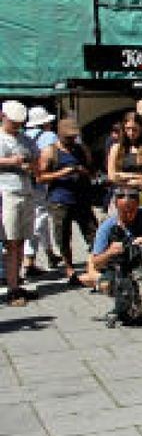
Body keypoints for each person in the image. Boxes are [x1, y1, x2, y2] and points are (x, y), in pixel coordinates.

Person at [80, 187, 142, 294]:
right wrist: (110, 252)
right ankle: (121, 296)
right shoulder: (107, 226)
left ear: (138, 205)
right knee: (105, 285)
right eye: (124, 212)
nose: (129, 215)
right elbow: (96, 262)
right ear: (116, 207)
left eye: (132, 211)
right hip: (120, 270)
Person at [36, 118, 98, 287]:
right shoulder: (50, 152)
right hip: (60, 199)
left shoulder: (82, 150)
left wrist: (84, 171)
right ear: (60, 135)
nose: (71, 140)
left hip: (82, 198)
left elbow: (93, 172)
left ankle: (94, 264)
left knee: (93, 232)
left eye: (73, 137)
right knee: (63, 235)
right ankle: (69, 268)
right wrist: (61, 173)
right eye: (68, 137)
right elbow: (40, 177)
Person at [0, 100, 38, 305]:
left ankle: (16, 282)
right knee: (11, 241)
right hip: (7, 192)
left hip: (26, 191)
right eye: (13, 122)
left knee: (22, 239)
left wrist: (31, 164)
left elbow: (36, 157)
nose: (17, 126)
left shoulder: (25, 138)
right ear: (3, 117)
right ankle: (12, 288)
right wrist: (11, 162)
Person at [22, 106, 59, 277]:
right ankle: (29, 260)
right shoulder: (48, 136)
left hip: (23, 182)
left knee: (40, 220)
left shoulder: (22, 135)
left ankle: (50, 253)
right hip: (40, 183)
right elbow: (46, 161)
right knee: (39, 219)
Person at [107, 111, 142, 206]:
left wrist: (122, 175)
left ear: (141, 129)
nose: (131, 133)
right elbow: (112, 176)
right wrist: (135, 179)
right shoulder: (116, 148)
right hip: (121, 196)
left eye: (134, 129)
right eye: (128, 129)